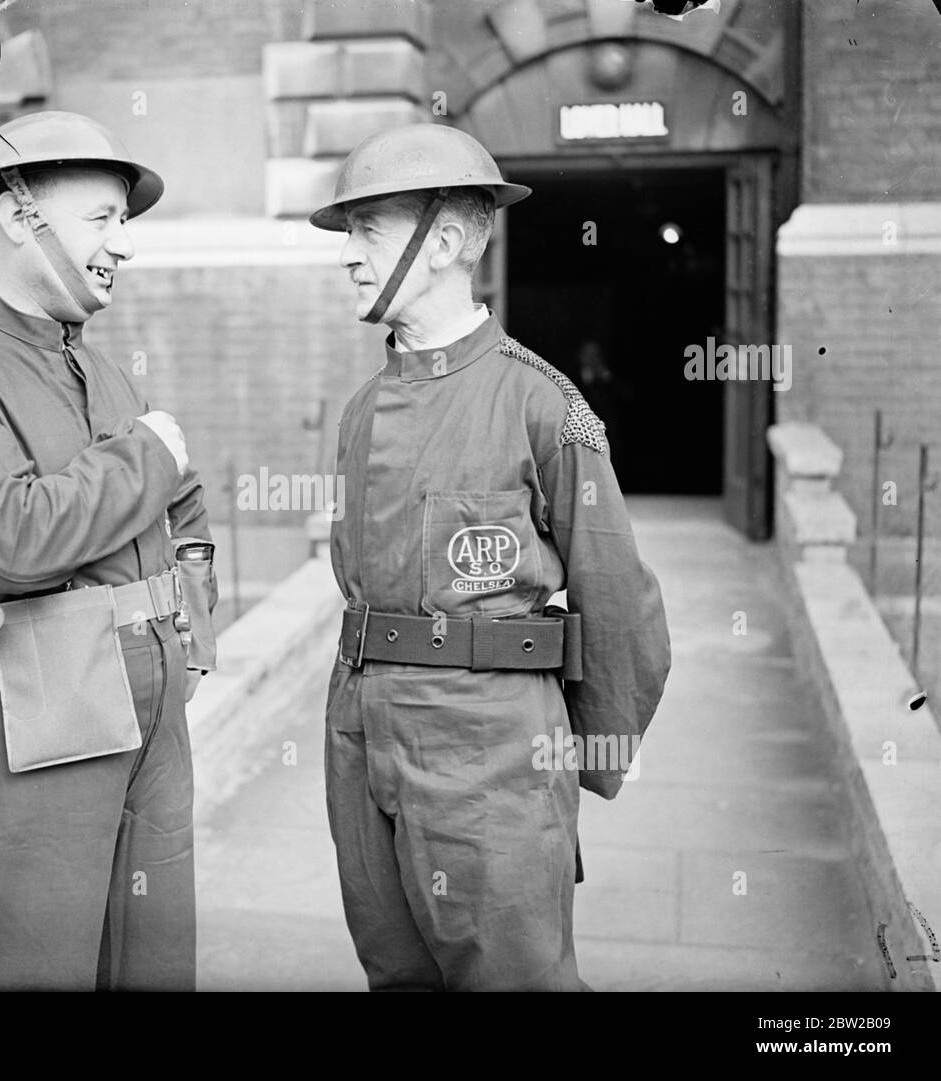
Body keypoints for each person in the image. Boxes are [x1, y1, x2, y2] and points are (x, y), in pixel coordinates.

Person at [310, 123, 671, 991]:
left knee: (513, 978)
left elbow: (620, 608)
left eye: (369, 230)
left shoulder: (544, 404)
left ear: (442, 242)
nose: (348, 257)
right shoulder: (361, 411)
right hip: (362, 741)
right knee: (395, 971)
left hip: (491, 753)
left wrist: (572, 763)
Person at [0, 110, 215, 990]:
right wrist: (150, 452)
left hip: (150, 728)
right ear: (19, 217)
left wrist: (189, 638)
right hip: (27, 726)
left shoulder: (99, 368)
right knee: (30, 967)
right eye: (102, 218)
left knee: (153, 968)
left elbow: (185, 508)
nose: (123, 244)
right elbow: (16, 537)